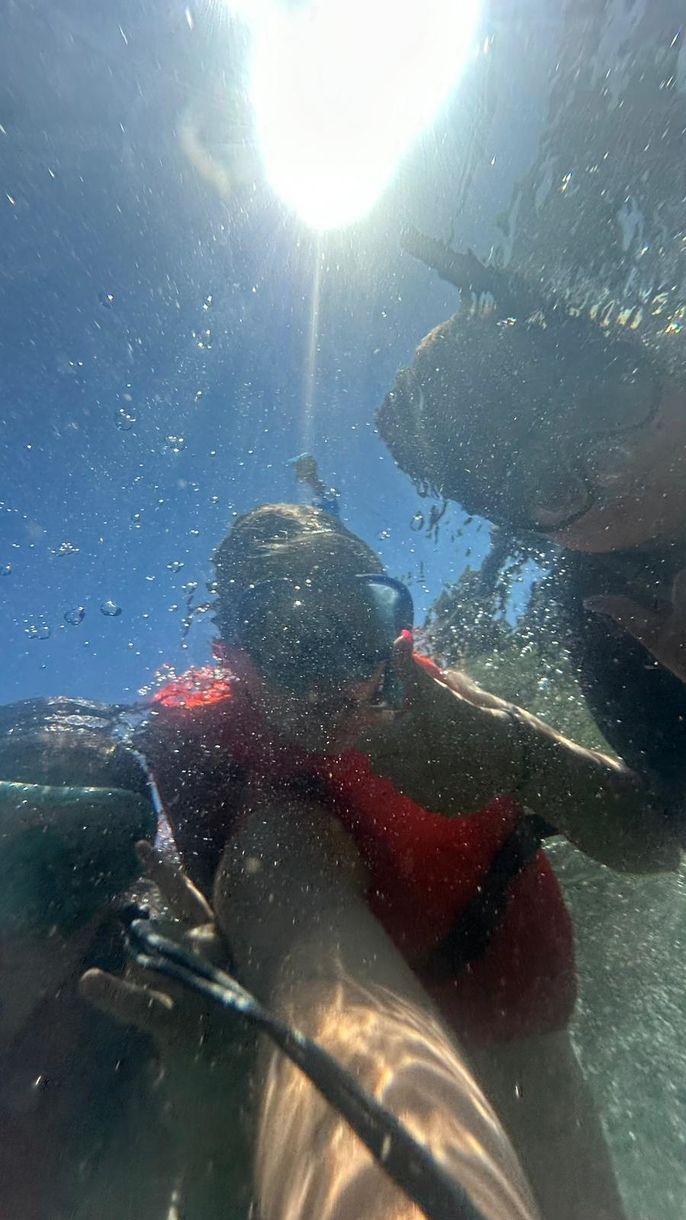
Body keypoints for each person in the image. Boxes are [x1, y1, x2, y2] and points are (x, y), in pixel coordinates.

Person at [0, 504, 679, 1219]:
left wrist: (524, 754)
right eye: (290, 637)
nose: (336, 675)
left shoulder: (452, 704)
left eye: (355, 626)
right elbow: (295, 924)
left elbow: (658, 842)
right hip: (370, 1030)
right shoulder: (233, 777)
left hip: (531, 1050)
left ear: (393, 631)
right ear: (235, 658)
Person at [377, 226, 686, 801]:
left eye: (603, 399)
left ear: (643, 352)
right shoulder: (617, 635)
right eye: (548, 481)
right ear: (530, 531)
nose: (613, 463)